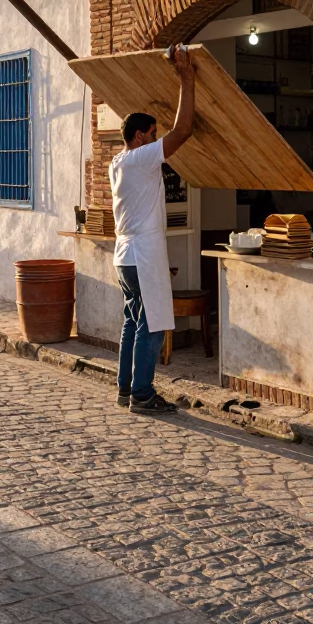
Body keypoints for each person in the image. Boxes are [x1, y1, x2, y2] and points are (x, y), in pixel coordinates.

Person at [110, 45, 196, 414]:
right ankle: (143, 395)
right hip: (142, 255)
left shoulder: (118, 162)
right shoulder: (141, 158)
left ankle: (126, 389)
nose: (157, 139)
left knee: (133, 321)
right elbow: (184, 130)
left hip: (126, 256)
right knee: (153, 324)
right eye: (153, 133)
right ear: (142, 136)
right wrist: (186, 78)